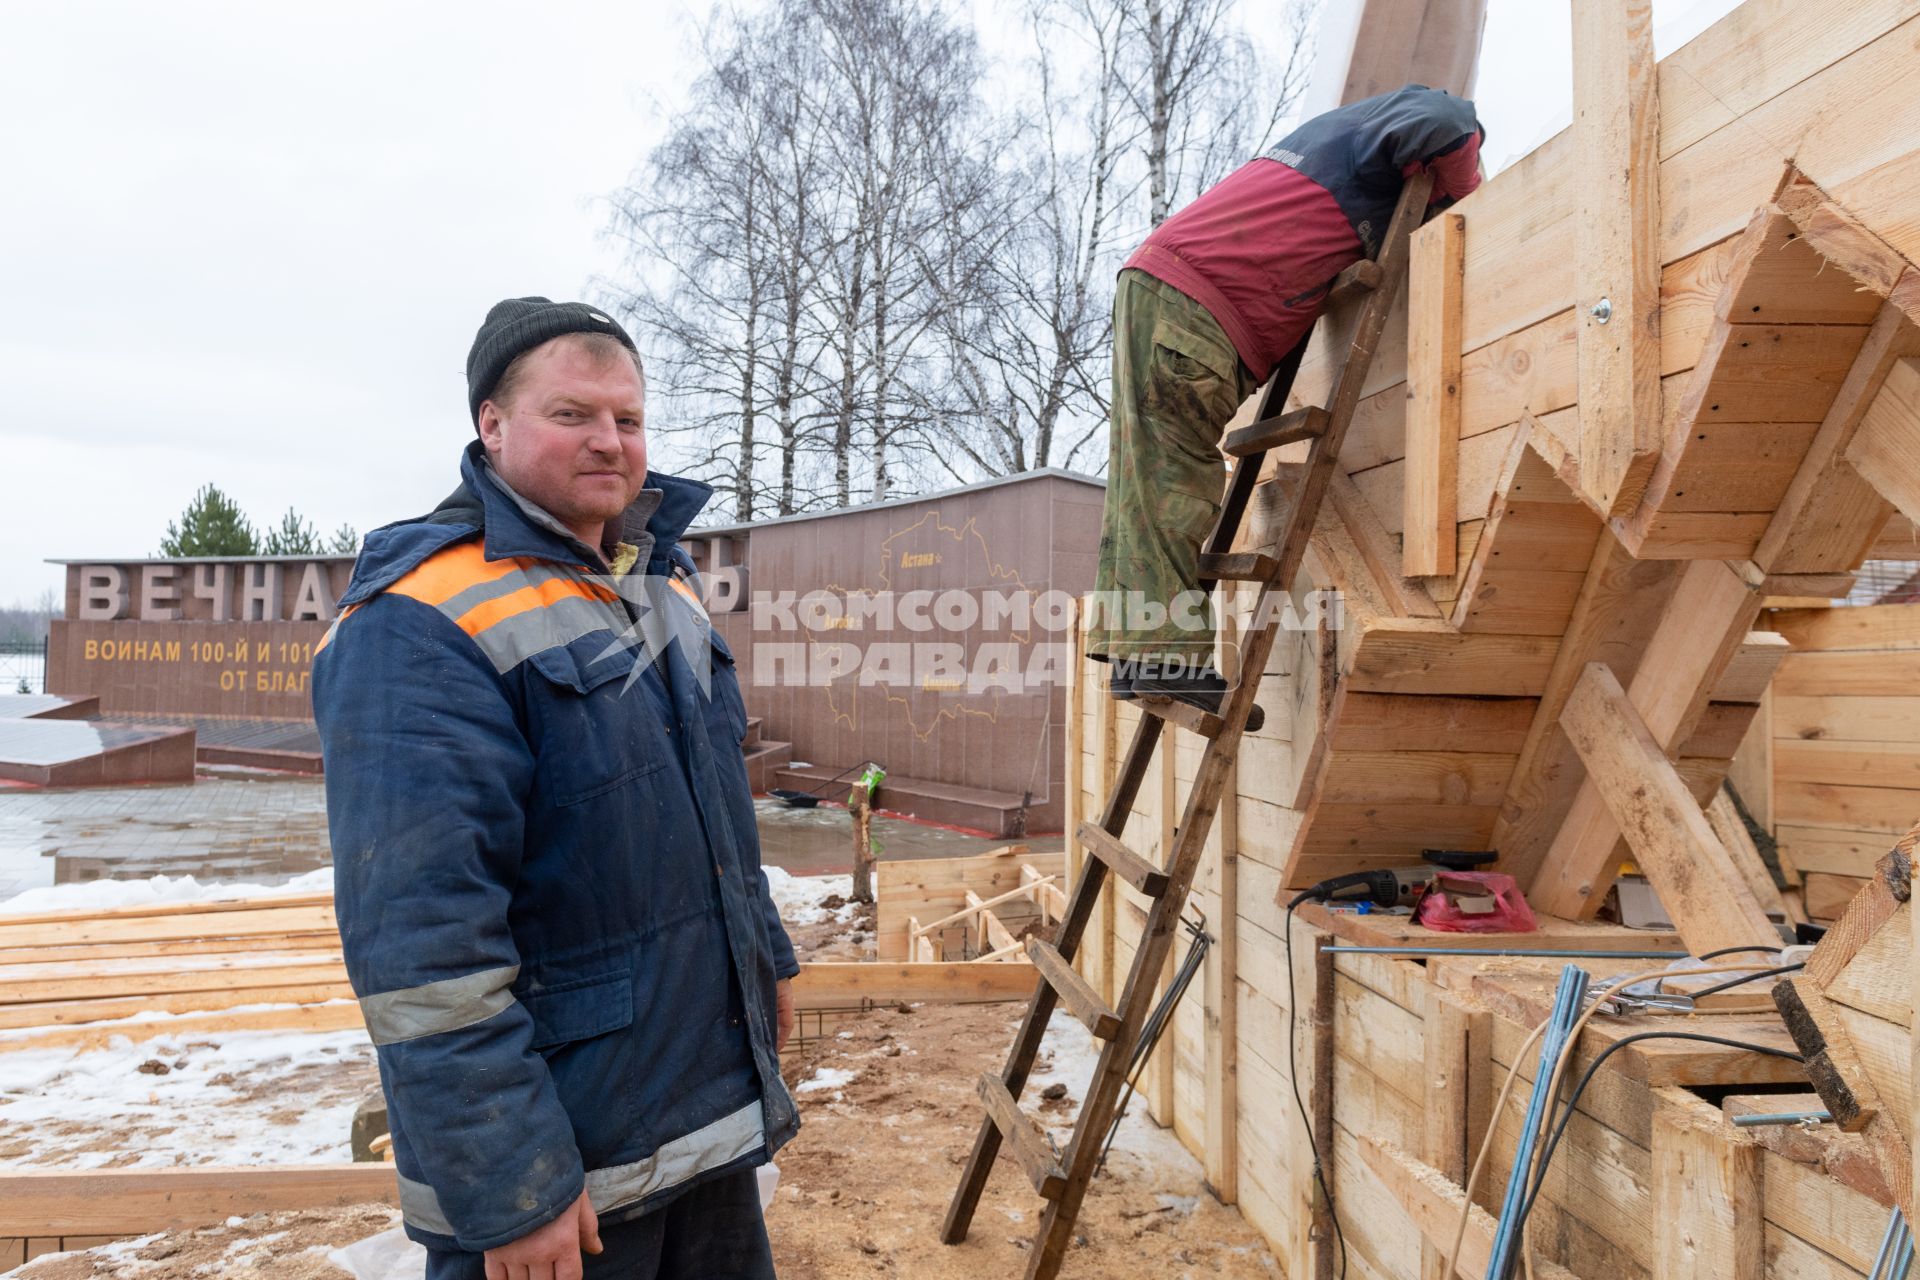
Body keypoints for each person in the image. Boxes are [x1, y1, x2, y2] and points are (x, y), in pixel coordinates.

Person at [313, 297, 798, 1280]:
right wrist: (510, 1179)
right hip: (565, 1174)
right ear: (491, 424)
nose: (610, 440)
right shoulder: (419, 619)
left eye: (628, 417)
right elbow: (423, 945)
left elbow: (708, 814)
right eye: (572, 413)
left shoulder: (659, 579)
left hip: (701, 1124)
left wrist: (768, 957)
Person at [1092, 85, 1485, 725]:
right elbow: (1445, 120)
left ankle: (1140, 654)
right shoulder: (1379, 127)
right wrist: (1465, 196)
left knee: (1147, 475)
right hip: (1195, 303)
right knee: (1176, 476)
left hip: (1165, 290)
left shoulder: (1326, 146)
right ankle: (1163, 657)